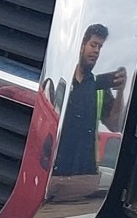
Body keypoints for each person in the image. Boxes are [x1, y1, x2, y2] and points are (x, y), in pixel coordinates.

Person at [50, 25, 126, 201]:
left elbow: (114, 125)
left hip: (85, 176)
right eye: (93, 44)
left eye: (100, 47)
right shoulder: (61, 81)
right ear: (81, 45)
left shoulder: (99, 87)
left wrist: (121, 91)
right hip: (53, 170)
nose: (97, 51)